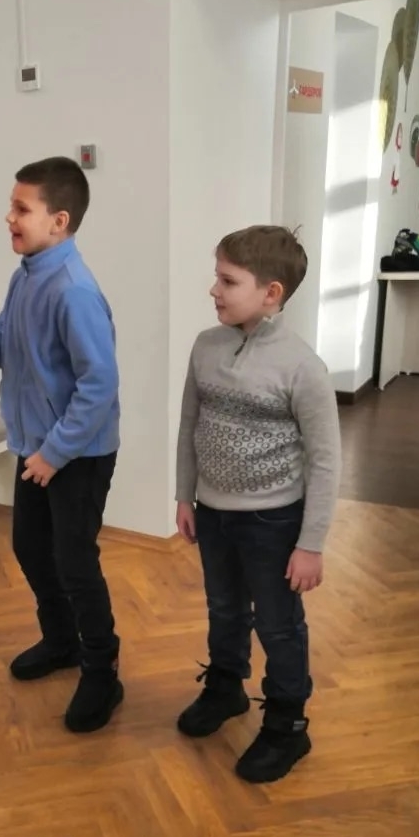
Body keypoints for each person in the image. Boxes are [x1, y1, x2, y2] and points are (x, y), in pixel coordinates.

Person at [0, 157, 122, 734]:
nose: (7, 217)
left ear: (59, 221)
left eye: (20, 208)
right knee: (33, 549)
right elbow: (3, 343)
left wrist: (54, 454)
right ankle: (61, 641)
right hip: (37, 446)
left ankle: (103, 671)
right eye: (11, 206)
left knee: (75, 563)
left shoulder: (75, 291)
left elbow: (99, 386)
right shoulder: (26, 276)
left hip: (76, 454)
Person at [174, 225, 341, 783]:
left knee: (278, 624)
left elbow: (325, 462)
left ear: (271, 294)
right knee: (224, 608)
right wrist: (185, 494)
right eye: (216, 277)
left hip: (275, 522)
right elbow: (189, 425)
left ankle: (288, 724)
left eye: (228, 281)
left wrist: (311, 544)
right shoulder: (206, 347)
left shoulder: (302, 367)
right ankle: (226, 687)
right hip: (214, 514)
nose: (213, 290)